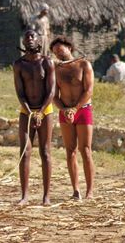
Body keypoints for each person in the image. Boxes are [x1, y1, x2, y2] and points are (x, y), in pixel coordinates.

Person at [13, 29, 55, 206]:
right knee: (25, 152)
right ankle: (25, 196)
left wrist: (40, 112)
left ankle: (46, 196)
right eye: (26, 37)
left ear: (39, 41)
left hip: (45, 111)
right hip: (26, 111)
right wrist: (30, 112)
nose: (29, 39)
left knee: (45, 152)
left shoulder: (47, 62)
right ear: (23, 42)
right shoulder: (19, 65)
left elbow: (52, 90)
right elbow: (20, 92)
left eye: (32, 36)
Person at [50, 36, 95, 200]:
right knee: (70, 151)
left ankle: (90, 191)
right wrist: (64, 109)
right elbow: (54, 95)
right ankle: (76, 190)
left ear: (69, 47)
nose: (58, 54)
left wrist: (75, 109)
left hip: (82, 110)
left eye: (60, 50)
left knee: (86, 150)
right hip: (65, 112)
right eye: (55, 52)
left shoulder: (83, 64)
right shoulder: (56, 69)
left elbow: (88, 90)